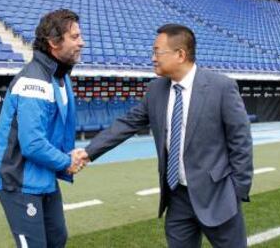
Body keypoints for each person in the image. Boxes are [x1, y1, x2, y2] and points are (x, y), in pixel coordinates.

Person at [77, 24, 253, 248]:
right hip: (177, 197)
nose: (152, 58)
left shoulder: (221, 87)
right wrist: (88, 152)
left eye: (157, 52)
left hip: (218, 195)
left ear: (180, 55)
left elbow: (241, 141)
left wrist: (236, 191)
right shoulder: (155, 90)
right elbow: (127, 123)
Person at [0, 9, 86, 248]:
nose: (82, 42)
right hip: (18, 180)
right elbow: (32, 143)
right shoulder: (34, 81)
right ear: (54, 43)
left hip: (44, 177)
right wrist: (67, 161)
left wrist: (69, 156)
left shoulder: (59, 77)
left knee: (57, 239)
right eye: (74, 37)